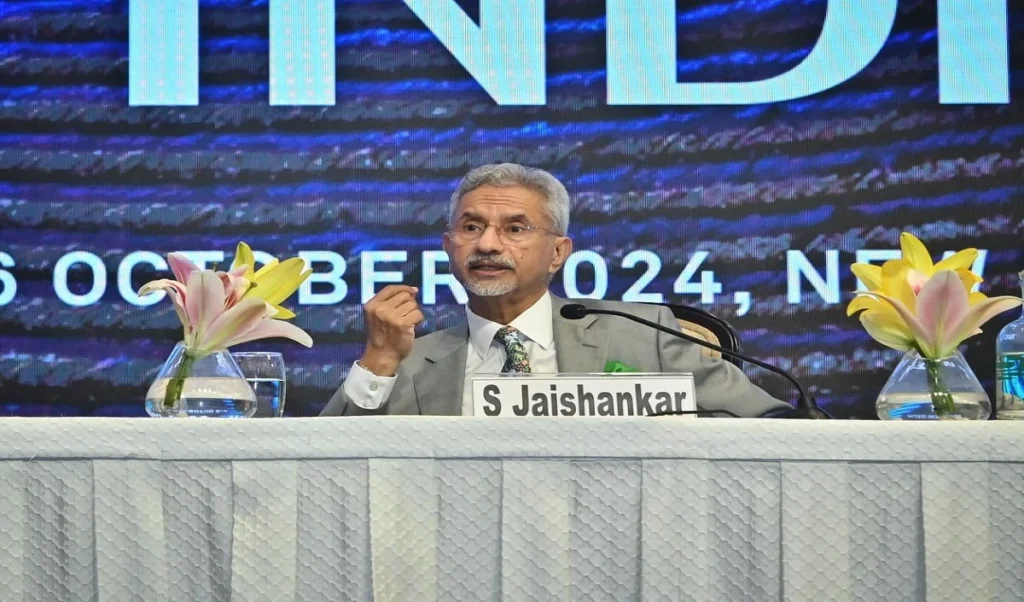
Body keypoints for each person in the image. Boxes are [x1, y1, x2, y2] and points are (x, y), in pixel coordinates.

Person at [321, 163, 790, 417]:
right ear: (449, 247)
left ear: (558, 253)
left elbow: (771, 424)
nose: (487, 244)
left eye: (515, 228)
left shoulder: (644, 335)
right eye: (471, 227)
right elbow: (327, 470)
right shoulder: (406, 362)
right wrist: (378, 360)